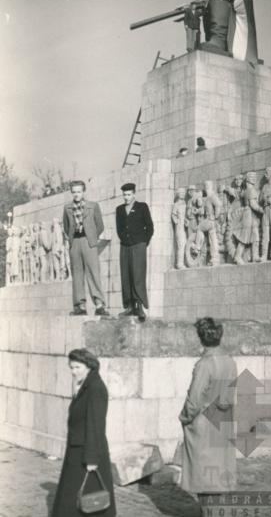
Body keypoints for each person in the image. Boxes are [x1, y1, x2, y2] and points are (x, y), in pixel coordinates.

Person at [179, 318, 237, 517]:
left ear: (201, 338)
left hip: (204, 426)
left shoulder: (205, 363)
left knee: (203, 478)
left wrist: (184, 418)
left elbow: (194, 401)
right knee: (217, 476)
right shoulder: (230, 360)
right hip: (222, 422)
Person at [52, 349, 116, 517]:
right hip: (78, 451)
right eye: (71, 367)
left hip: (86, 453)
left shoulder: (95, 387)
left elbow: (96, 424)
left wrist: (92, 459)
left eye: (78, 367)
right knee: (76, 498)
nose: (74, 372)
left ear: (89, 366)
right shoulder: (85, 385)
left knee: (85, 499)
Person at [63, 180, 109, 316]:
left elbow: (100, 225)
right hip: (75, 242)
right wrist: (71, 240)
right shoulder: (67, 208)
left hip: (89, 242)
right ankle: (80, 306)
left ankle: (100, 305)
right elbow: (66, 226)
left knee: (93, 273)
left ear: (84, 192)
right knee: (77, 275)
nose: (76, 194)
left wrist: (92, 238)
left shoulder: (93, 206)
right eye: (74, 192)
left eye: (79, 191)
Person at [116, 183, 154, 322]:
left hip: (138, 245)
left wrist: (144, 241)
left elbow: (149, 226)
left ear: (134, 194)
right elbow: (119, 228)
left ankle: (139, 306)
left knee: (138, 275)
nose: (126, 197)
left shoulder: (142, 207)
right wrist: (125, 240)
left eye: (129, 194)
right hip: (125, 246)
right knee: (126, 275)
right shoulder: (119, 209)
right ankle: (130, 306)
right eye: (124, 195)